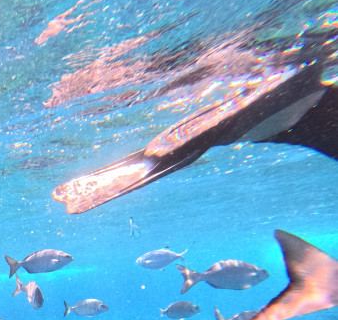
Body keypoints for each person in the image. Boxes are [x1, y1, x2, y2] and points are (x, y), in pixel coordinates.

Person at [53, 61, 338, 214]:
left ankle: (181, 148)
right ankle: (182, 148)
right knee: (226, 127)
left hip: (300, 114)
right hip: (300, 111)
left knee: (223, 129)